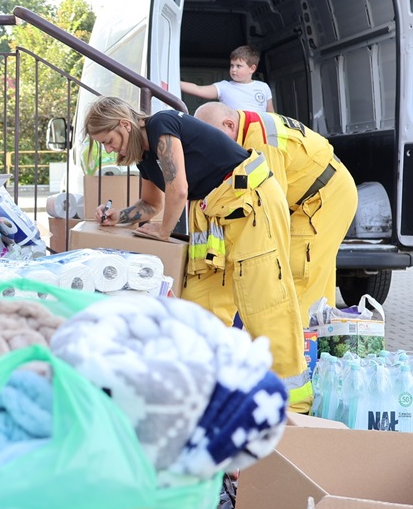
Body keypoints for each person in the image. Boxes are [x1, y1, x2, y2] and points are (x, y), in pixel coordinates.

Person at [84, 96, 311, 412]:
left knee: (263, 300)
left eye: (109, 141)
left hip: (251, 199)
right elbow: (152, 205)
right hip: (216, 214)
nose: (109, 149)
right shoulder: (144, 157)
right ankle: (207, 394)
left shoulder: (162, 124)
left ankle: (293, 403)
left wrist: (163, 232)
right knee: (199, 305)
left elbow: (178, 190)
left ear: (124, 124)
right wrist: (116, 217)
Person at [195, 102, 359, 324]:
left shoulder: (261, 143)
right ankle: (315, 344)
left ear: (229, 124)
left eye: (213, 138)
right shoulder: (248, 128)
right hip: (319, 194)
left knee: (296, 276)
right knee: (316, 281)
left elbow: (271, 205)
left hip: (323, 198)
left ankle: (289, 352)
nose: (212, 147)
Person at [180, 45, 274, 112]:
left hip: (258, 135)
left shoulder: (263, 87)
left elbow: (271, 114)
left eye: (238, 66)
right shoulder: (224, 86)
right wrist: (176, 83)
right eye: (231, 65)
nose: (233, 69)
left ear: (252, 68)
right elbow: (198, 89)